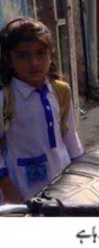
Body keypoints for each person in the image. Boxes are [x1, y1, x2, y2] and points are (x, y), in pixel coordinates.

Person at [0, 17, 83, 204]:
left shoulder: (61, 91)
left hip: (62, 180)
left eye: (41, 53)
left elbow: (70, 138)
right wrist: (8, 189)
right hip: (21, 188)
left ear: (51, 55)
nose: (34, 62)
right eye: (22, 55)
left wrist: (81, 174)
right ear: (9, 60)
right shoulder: (6, 99)